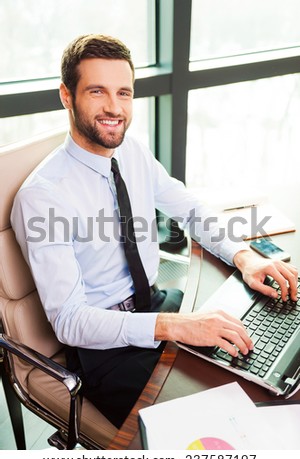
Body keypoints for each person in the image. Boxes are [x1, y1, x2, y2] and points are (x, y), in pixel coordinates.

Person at [11, 34, 298, 429]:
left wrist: (244, 256)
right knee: (222, 424)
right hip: (107, 350)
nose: (114, 108)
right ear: (66, 95)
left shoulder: (132, 152)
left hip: (161, 304)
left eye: (124, 93)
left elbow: (190, 209)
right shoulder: (43, 198)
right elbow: (71, 321)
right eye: (97, 91)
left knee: (267, 372)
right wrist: (175, 326)